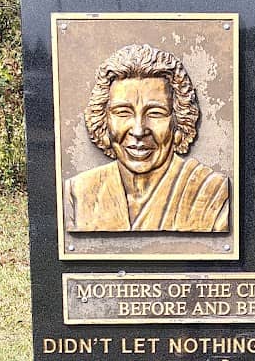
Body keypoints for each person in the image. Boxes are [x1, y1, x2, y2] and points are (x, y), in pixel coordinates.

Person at [64, 43, 230, 233]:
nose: (138, 130)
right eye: (123, 112)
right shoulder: (79, 192)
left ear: (179, 122)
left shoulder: (212, 194)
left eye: (155, 113)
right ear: (103, 120)